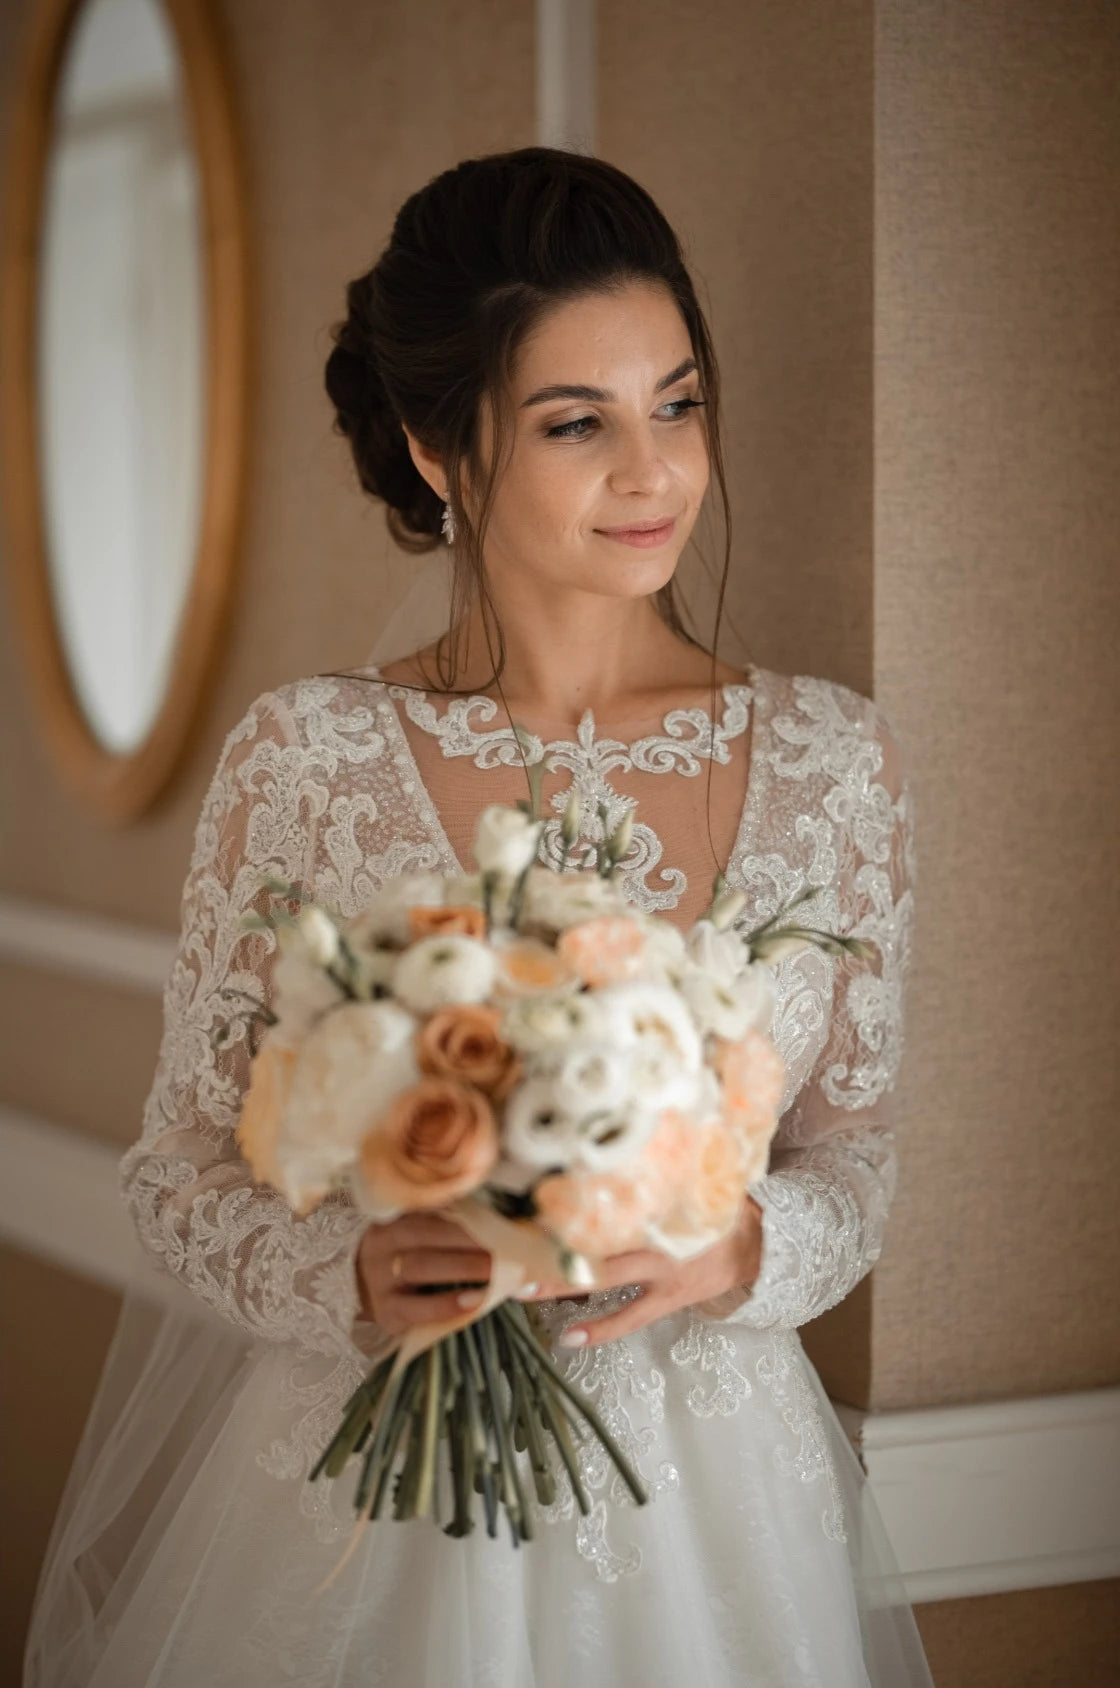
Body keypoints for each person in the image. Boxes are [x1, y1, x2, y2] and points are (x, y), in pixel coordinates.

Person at [25, 146, 935, 1687]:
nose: (655, 472)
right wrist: (349, 1281)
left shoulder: (837, 762)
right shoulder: (306, 759)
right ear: (441, 452)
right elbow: (181, 1165)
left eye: (680, 403)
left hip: (719, 1526)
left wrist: (736, 1255)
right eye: (579, 423)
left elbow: (858, 1157)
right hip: (366, 1513)